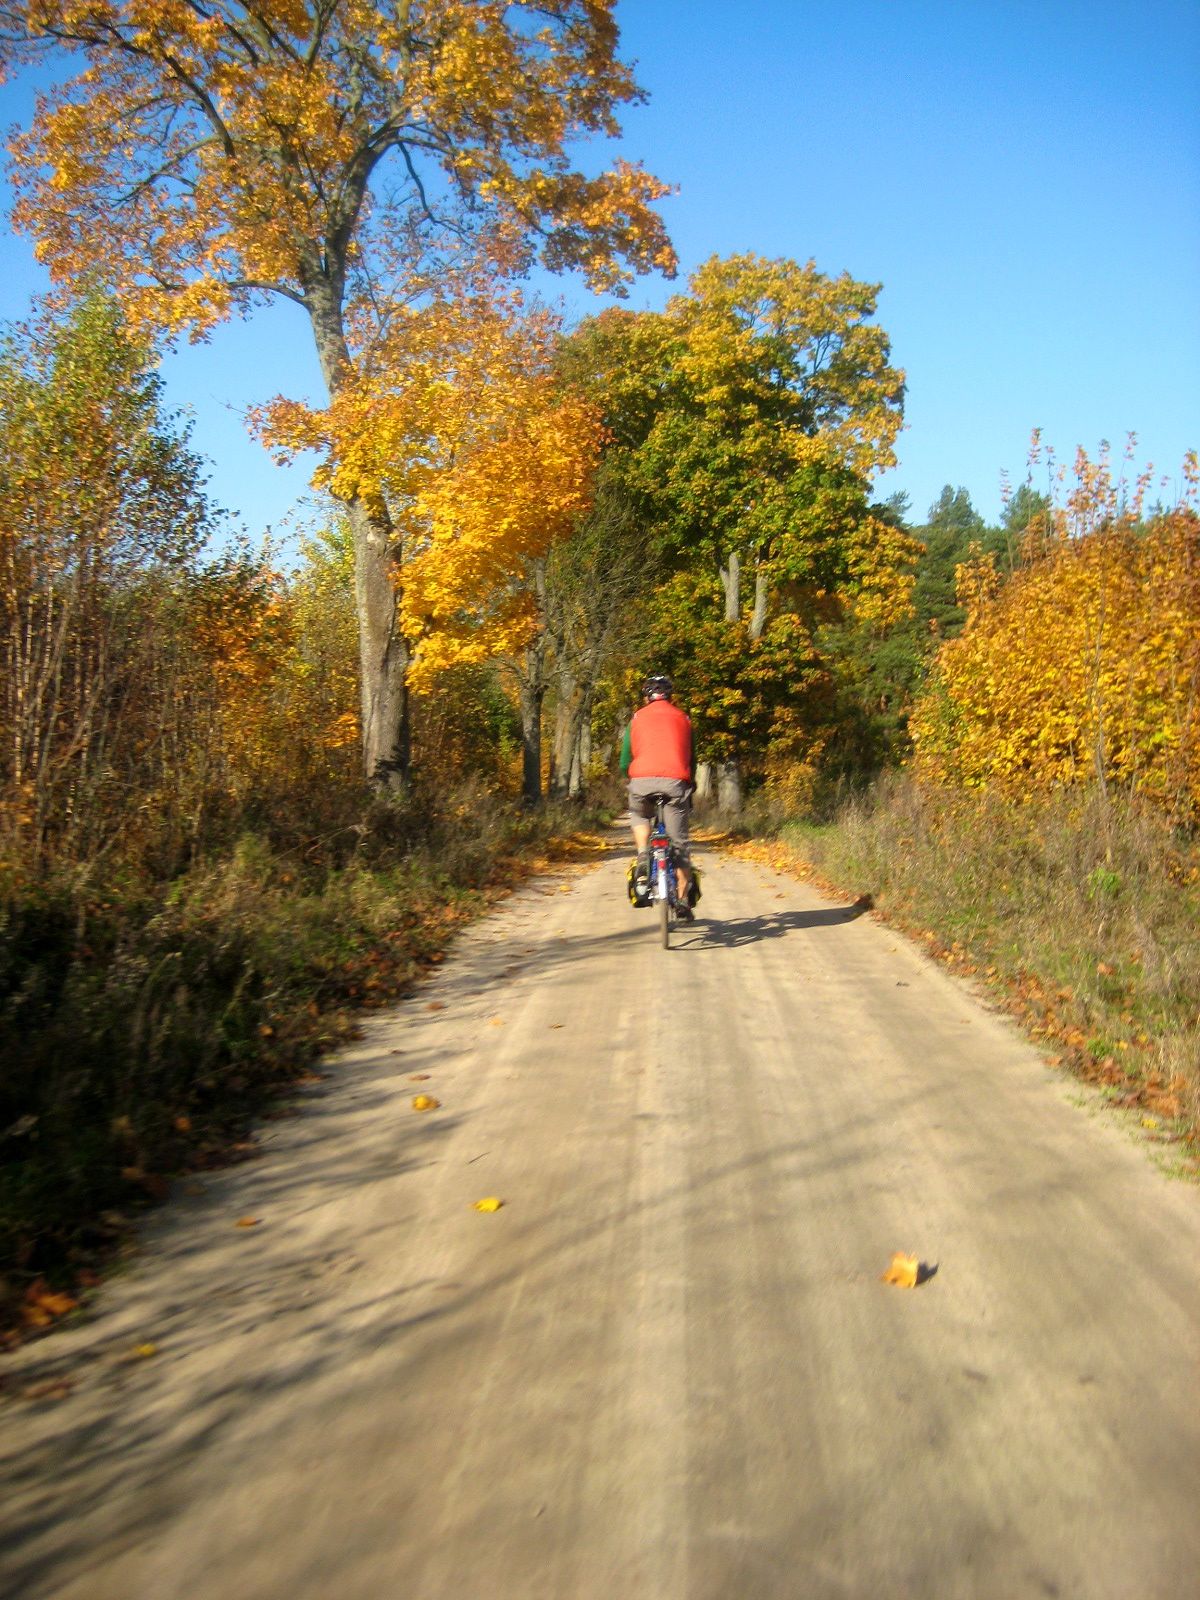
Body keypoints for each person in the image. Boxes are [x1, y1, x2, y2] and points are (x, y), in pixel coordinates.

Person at [620, 674, 696, 921]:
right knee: (680, 844)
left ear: (647, 697)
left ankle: (643, 853)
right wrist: (690, 782)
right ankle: (683, 899)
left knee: (639, 814)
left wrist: (628, 776)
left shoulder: (636, 719)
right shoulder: (684, 718)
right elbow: (691, 758)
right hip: (675, 782)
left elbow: (624, 759)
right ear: (670, 696)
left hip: (641, 781)